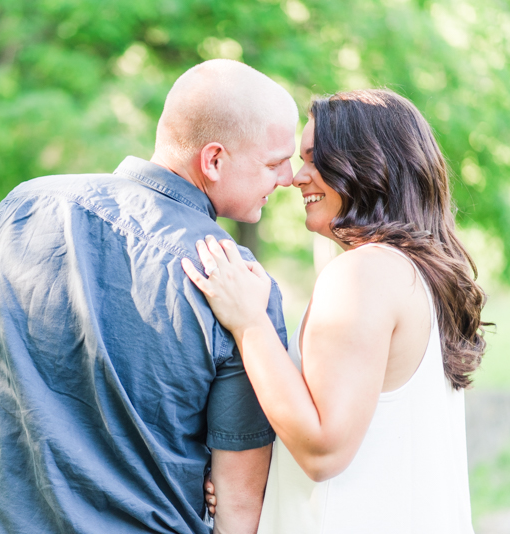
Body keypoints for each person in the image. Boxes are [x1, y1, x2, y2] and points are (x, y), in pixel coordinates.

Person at [0, 59, 299, 533]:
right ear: (213, 160)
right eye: (275, 162)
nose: (290, 177)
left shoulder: (23, 209)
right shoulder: (239, 285)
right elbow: (238, 502)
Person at [184, 89, 487, 533]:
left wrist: (249, 323)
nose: (296, 177)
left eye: (314, 158)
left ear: (366, 164)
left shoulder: (364, 274)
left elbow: (324, 450)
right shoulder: (418, 275)